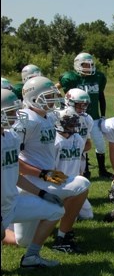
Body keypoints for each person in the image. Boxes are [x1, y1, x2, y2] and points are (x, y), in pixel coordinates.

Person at [15, 76, 91, 254]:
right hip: (30, 181)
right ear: (32, 97)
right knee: (22, 241)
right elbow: (12, 160)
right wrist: (43, 173)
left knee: (81, 184)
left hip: (45, 178)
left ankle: (62, 237)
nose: (53, 100)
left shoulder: (49, 116)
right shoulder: (26, 120)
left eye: (53, 96)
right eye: (47, 97)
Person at [1, 88, 65, 268]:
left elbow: (15, 175)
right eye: (10, 112)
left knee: (55, 210)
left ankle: (31, 257)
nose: (16, 115)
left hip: (11, 204)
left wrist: (42, 193)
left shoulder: (11, 137)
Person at [56, 52, 113, 179]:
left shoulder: (98, 77)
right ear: (77, 65)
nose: (88, 67)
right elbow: (56, 89)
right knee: (81, 143)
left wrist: (102, 115)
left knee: (99, 144)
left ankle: (102, 169)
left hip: (93, 116)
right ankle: (84, 169)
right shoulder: (70, 77)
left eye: (90, 64)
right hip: (76, 117)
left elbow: (100, 96)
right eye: (85, 65)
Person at [53, 107, 93, 220]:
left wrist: (80, 175)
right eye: (70, 122)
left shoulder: (78, 138)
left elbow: (78, 159)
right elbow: (51, 166)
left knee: (88, 215)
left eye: (75, 121)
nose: (74, 124)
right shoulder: (55, 141)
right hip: (59, 182)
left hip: (74, 180)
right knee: (68, 217)